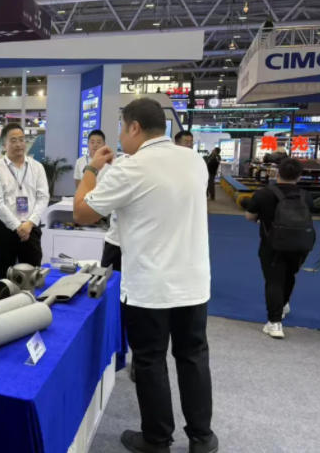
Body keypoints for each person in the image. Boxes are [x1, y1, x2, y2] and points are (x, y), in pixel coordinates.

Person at [74, 98, 217, 453]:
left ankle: (157, 438)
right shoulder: (194, 160)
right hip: (193, 282)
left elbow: (82, 212)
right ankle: (202, 438)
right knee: (193, 356)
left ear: (135, 127)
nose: (120, 137)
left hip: (150, 286)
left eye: (122, 128)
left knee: (151, 360)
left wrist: (91, 169)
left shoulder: (131, 168)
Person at [242, 158, 315, 339]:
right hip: (300, 245)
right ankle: (282, 305)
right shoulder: (306, 195)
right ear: (299, 176)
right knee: (289, 276)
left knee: (274, 281)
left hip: (272, 244)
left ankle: (274, 322)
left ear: (277, 173)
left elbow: (250, 216)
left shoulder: (263, 194)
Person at [0, 123, 50, 280]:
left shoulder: (37, 167)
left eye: (22, 140)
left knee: (32, 276)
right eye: (13, 140)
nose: (19, 144)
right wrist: (17, 226)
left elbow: (43, 197)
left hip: (30, 228)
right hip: (4, 229)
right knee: (4, 278)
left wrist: (29, 223)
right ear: (4, 145)